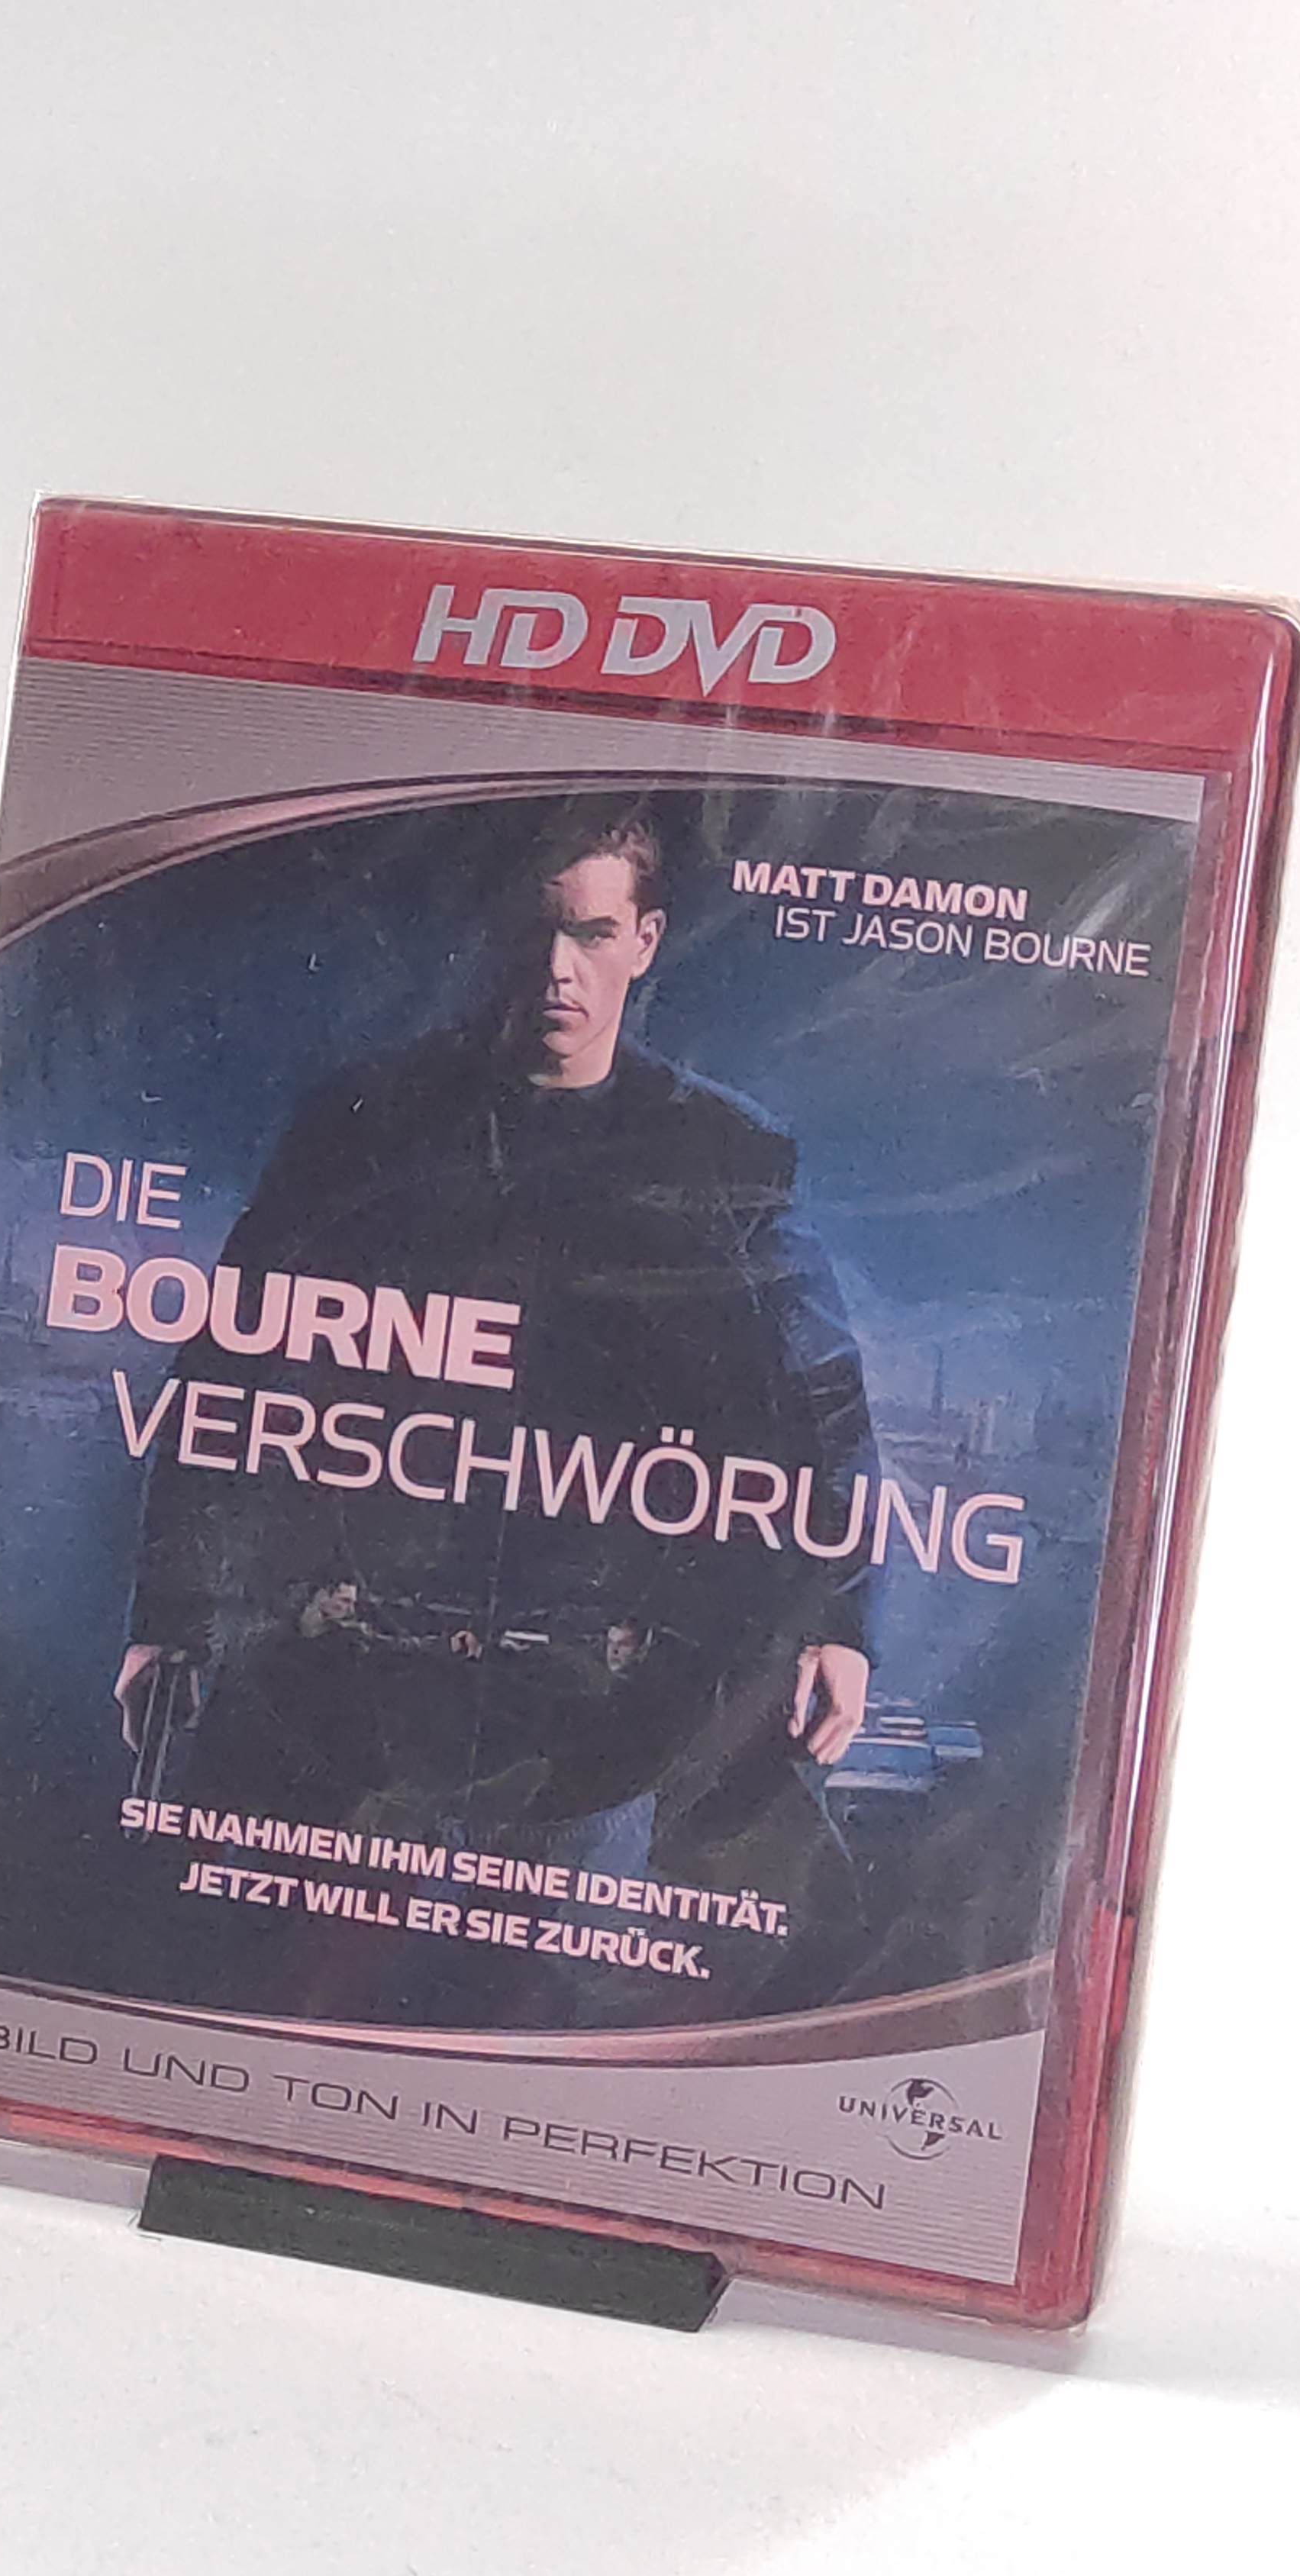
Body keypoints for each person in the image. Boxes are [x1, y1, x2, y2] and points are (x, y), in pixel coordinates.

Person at [110, 802, 878, 1987]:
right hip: (358, 1679)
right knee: (287, 2000)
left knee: (532, 2021)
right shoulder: (367, 1122)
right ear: (494, 934)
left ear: (645, 941)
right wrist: (173, 1612)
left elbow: (816, 1398)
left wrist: (837, 1619)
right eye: (537, 932)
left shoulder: (721, 1152)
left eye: (593, 933)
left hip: (596, 1703)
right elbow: (231, 1365)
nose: (560, 968)